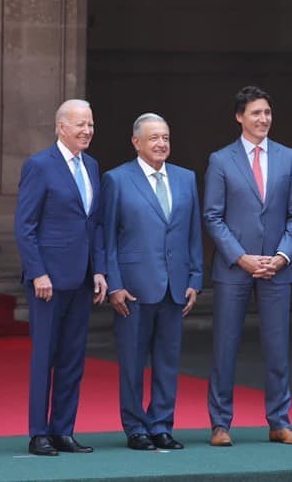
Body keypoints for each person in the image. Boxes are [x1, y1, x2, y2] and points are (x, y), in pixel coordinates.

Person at [203, 86, 292, 446]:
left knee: (277, 346)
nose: (263, 119)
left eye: (267, 113)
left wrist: (281, 257)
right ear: (239, 117)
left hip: (277, 268)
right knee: (225, 347)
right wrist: (242, 257)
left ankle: (279, 422)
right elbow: (213, 217)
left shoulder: (288, 157)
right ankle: (220, 425)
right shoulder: (221, 160)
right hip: (235, 268)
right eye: (255, 113)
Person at [102, 113, 203, 451]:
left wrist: (195, 278)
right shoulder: (117, 180)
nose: (161, 144)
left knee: (167, 361)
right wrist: (114, 284)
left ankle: (161, 424)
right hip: (132, 288)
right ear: (136, 142)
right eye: (154, 138)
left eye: (166, 137)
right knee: (132, 362)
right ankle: (135, 428)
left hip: (175, 286)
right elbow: (108, 237)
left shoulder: (186, 178)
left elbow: (193, 234)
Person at [14, 99, 108, 456]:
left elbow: (94, 224)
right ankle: (39, 432)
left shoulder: (92, 166)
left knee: (73, 358)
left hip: (82, 279)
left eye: (91, 124)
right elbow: (26, 226)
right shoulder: (40, 165)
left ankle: (63, 430)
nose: (87, 131)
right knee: (45, 357)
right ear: (61, 127)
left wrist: (98, 270)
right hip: (48, 282)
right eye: (80, 124)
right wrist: (38, 272)